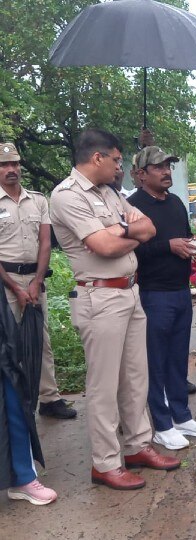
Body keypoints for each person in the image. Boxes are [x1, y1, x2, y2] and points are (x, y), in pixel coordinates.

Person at [50, 129, 180, 490]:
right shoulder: (66, 196)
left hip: (129, 292)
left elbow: (149, 227)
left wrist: (120, 229)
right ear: (97, 158)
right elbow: (103, 247)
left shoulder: (110, 193)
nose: (120, 167)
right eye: (117, 160)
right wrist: (126, 232)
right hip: (100, 298)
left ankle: (138, 445)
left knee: (136, 377)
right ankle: (105, 463)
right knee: (104, 385)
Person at [128, 146, 196, 450]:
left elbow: (181, 237)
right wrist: (167, 246)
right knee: (156, 361)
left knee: (179, 357)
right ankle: (162, 424)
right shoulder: (132, 207)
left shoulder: (176, 202)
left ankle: (182, 415)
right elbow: (131, 250)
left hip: (180, 291)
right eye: (159, 167)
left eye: (168, 166)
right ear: (140, 174)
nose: (167, 172)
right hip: (153, 293)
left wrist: (191, 245)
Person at [0, 143, 76, 420]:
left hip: (34, 278)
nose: (12, 169)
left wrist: (36, 281)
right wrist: (16, 288)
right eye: (4, 165)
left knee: (40, 339)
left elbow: (45, 243)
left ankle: (49, 398)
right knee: (9, 342)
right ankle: (16, 402)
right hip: (5, 281)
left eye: (15, 164)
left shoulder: (38, 200)